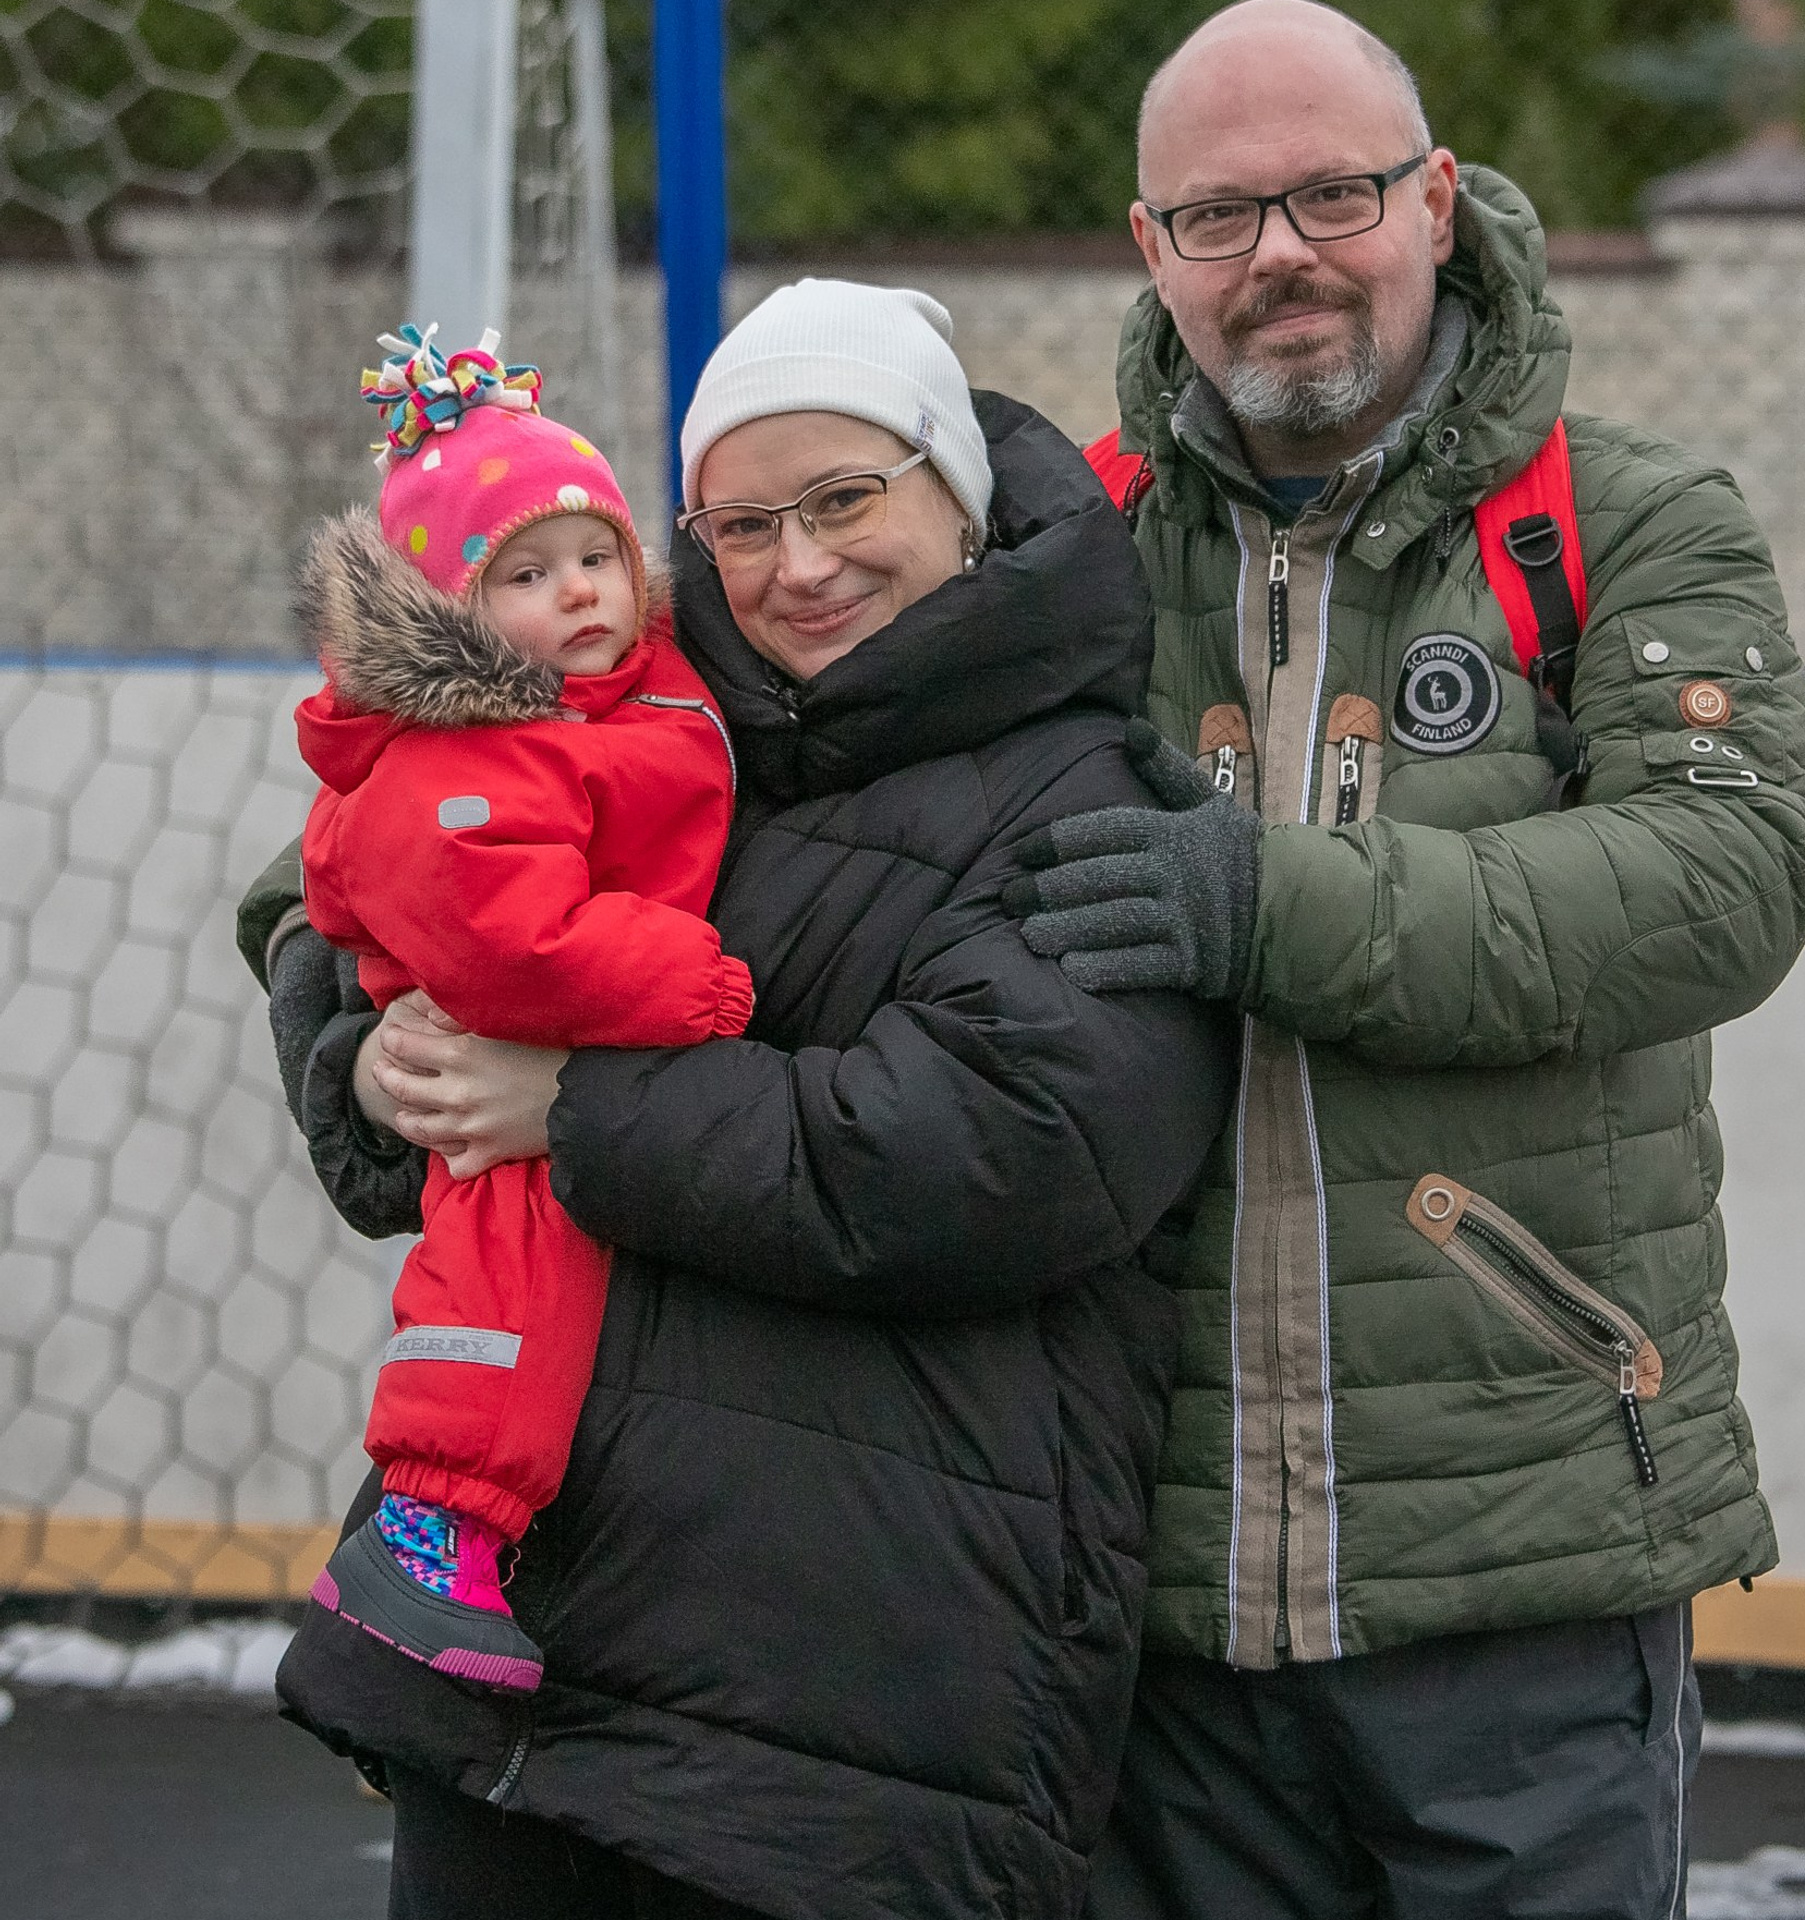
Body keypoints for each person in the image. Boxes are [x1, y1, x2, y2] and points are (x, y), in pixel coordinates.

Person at [243, 279, 1237, 1920]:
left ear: (959, 497)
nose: (799, 564)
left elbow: (1000, 1158)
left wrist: (572, 1108)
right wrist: (366, 1056)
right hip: (529, 1662)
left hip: (848, 1714)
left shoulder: (1089, 793)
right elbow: (353, 901)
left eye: (848, 499)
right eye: (739, 522)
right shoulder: (621, 709)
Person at [1000, 4, 1805, 1916]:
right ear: (1150, 250)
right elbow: (737, 734)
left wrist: (1263, 904)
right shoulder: (1069, 553)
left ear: (1437, 203)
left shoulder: (1621, 521)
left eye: (1334, 194)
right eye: (1220, 215)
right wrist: (359, 929)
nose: (1281, 251)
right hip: (1155, 1589)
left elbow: (1729, 873)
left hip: (1528, 1572)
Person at [292, 326, 754, 1691]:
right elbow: (514, 946)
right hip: (513, 1058)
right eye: (528, 576)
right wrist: (694, 987)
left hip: (566, 1057)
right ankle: (430, 1528)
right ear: (450, 613)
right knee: (507, 1304)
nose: (583, 594)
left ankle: (459, 1530)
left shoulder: (627, 690)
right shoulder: (468, 751)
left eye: (598, 556)